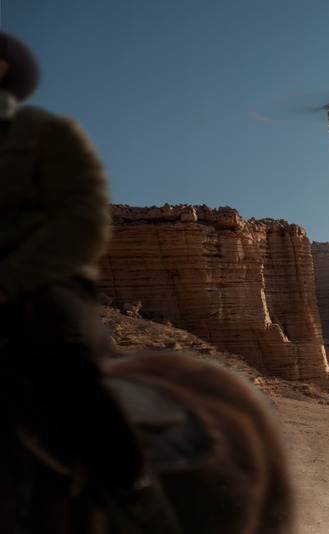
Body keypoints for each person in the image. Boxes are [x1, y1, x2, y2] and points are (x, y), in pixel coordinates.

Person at [0, 30, 179, 532]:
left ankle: (142, 503)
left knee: (66, 376)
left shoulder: (46, 134)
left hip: (40, 291)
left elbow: (81, 224)